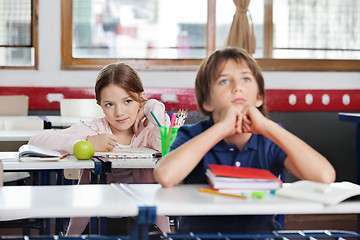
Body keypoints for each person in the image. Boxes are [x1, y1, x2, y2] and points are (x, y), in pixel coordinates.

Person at [154, 47, 336, 234]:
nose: (237, 87)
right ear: (207, 101)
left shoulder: (270, 137)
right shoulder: (192, 135)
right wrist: (222, 128)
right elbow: (166, 176)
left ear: (259, 97)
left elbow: (323, 176)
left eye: (246, 79)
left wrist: (265, 126)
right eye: (224, 81)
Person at [29, 62, 170, 235]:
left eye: (127, 101)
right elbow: (36, 141)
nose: (119, 112)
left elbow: (166, 146)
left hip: (145, 217)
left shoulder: (149, 128)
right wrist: (87, 141)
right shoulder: (95, 129)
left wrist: (153, 107)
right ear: (100, 105)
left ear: (141, 99)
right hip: (99, 217)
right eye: (109, 104)